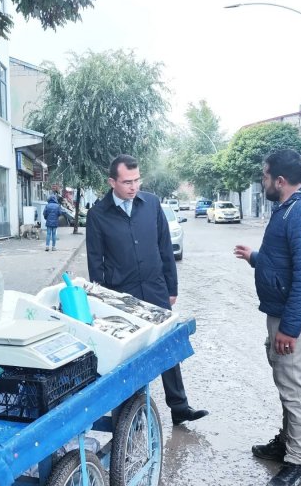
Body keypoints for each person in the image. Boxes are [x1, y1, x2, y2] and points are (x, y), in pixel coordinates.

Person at [233, 149, 301, 486]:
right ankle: (286, 443)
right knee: (287, 386)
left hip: (300, 319)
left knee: (296, 390)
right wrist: (256, 258)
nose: (262, 182)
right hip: (286, 313)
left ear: (279, 180)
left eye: (264, 176)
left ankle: (296, 463)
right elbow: (285, 263)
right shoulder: (289, 208)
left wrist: (290, 329)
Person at [87, 154, 209, 426]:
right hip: (122, 295)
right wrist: (104, 301)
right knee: (129, 357)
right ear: (112, 182)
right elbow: (96, 263)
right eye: (127, 182)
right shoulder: (98, 215)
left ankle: (180, 408)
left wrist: (171, 287)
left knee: (167, 348)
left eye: (137, 180)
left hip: (155, 288)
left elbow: (165, 248)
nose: (133, 187)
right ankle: (133, 417)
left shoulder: (152, 204)